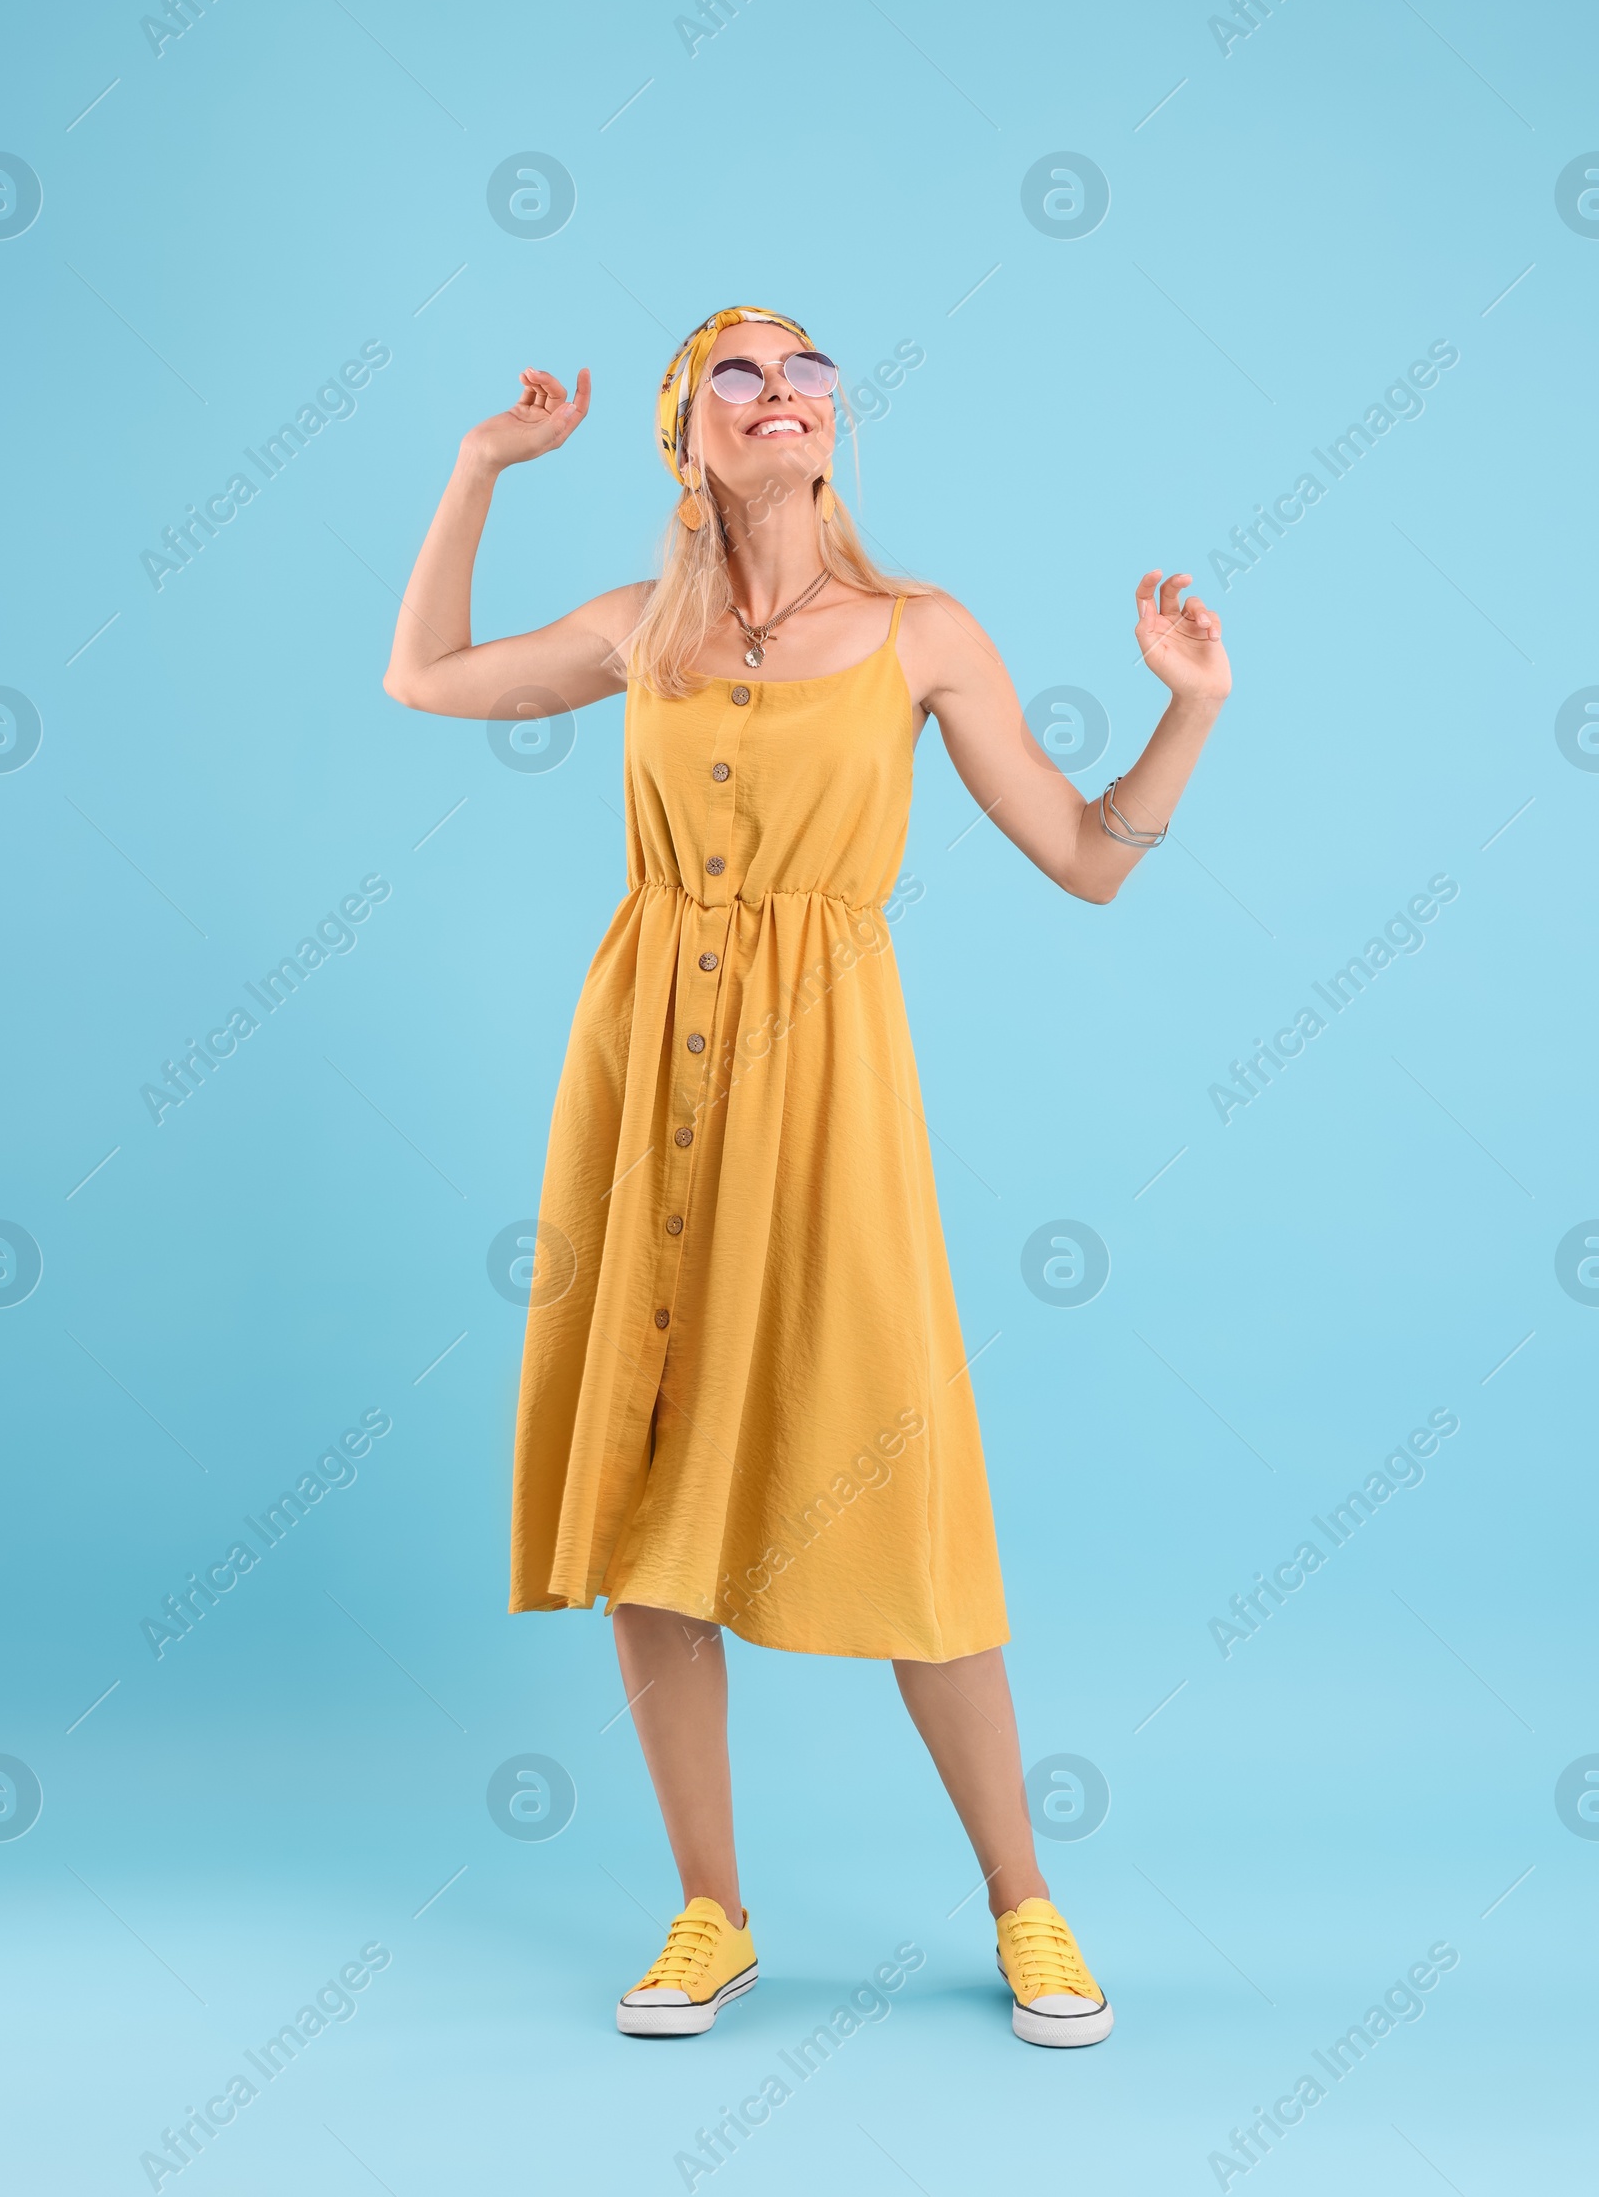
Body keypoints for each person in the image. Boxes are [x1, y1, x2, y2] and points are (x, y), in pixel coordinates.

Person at [383, 305, 1231, 2048]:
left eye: (808, 367)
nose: (784, 393)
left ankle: (1030, 1906)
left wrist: (1189, 715)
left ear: (837, 422)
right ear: (691, 436)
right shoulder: (639, 631)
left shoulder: (921, 634)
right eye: (740, 376)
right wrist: (475, 467)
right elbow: (425, 676)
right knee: (651, 1481)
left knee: (894, 1469)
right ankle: (710, 1911)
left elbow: (1086, 859)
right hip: (645, 1074)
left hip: (830, 1094)